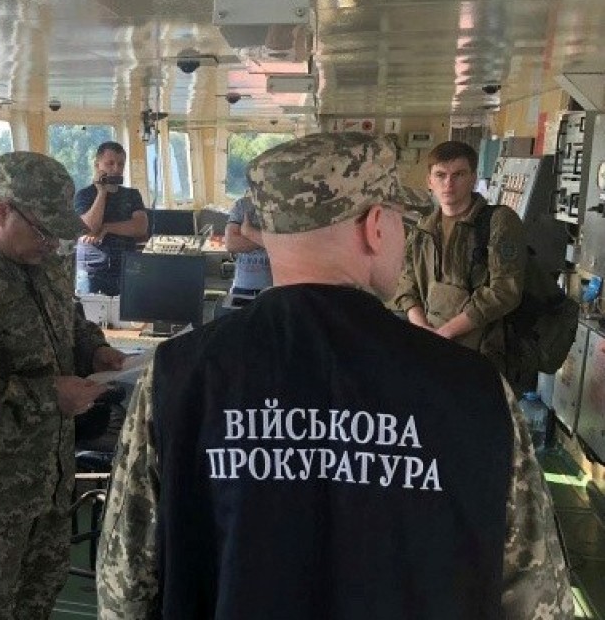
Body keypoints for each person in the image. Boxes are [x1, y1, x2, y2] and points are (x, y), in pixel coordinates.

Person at [96, 132, 572, 619]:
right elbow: (538, 598)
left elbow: (125, 585)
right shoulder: (475, 388)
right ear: (375, 226)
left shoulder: (176, 376)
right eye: (400, 221)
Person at [0, 151, 127, 619]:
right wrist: (50, 394)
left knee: (38, 603)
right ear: (1, 211)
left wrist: (94, 349)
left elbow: (68, 317)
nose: (53, 244)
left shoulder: (46, 252)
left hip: (53, 480)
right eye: (42, 231)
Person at [392, 140, 531, 390]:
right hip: (432, 353)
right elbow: (406, 283)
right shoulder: (423, 230)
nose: (448, 183)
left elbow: (505, 291)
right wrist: (422, 329)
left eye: (458, 174)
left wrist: (445, 333)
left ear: (473, 178)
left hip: (483, 358)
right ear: (429, 181)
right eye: (441, 175)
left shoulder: (499, 222)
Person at [75, 141, 148, 295]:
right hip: (92, 271)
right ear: (97, 166)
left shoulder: (132, 195)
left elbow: (140, 227)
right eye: (110, 163)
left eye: (121, 164)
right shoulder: (84, 195)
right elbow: (90, 228)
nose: (116, 169)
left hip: (126, 269)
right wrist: (102, 192)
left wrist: (107, 228)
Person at [224, 191, 273, 297]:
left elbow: (291, 245)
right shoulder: (242, 205)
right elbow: (231, 244)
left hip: (276, 288)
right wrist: (272, 241)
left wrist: (248, 233)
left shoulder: (286, 207)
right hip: (242, 287)